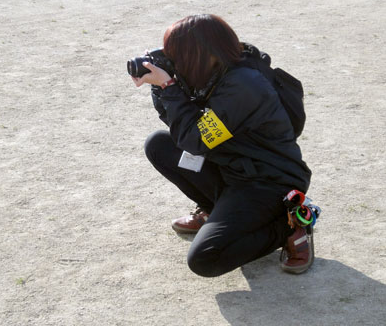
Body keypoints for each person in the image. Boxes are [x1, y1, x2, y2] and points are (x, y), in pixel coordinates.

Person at [131, 14, 314, 276]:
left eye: (176, 53)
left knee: (205, 259)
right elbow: (179, 127)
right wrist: (161, 87)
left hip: (267, 182)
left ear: (198, 52)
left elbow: (195, 139)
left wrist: (168, 85)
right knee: (159, 145)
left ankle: (289, 226)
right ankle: (213, 210)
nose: (172, 59)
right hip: (231, 166)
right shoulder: (212, 74)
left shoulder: (244, 85)